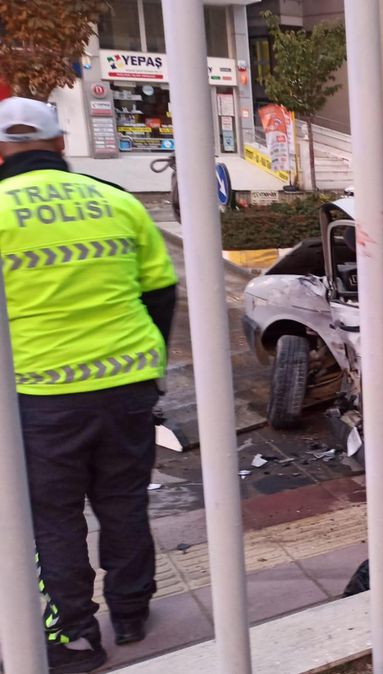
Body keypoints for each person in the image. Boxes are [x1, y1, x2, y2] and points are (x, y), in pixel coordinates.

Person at [0, 97, 177, 673]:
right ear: (58, 144)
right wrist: (148, 363)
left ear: (2, 150)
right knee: (124, 502)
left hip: (38, 395)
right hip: (126, 384)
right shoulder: (116, 201)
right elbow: (160, 290)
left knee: (53, 516)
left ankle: (76, 632)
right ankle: (130, 614)